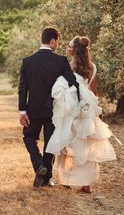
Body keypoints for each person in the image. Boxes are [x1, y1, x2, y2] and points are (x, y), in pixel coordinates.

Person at [46, 36, 119, 193]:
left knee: (68, 145)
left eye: (69, 46)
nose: (66, 47)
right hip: (86, 112)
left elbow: (63, 88)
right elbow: (93, 92)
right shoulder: (92, 67)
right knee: (87, 146)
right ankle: (86, 183)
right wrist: (94, 111)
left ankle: (67, 179)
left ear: (73, 50)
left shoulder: (67, 66)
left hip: (72, 113)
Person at [18, 27, 78, 187]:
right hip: (54, 109)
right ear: (52, 41)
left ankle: (39, 166)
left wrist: (22, 111)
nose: (57, 45)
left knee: (28, 137)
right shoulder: (61, 61)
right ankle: (46, 177)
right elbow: (73, 82)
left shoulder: (27, 61)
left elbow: (23, 89)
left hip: (33, 109)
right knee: (51, 142)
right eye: (57, 41)